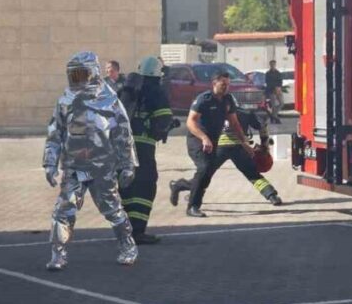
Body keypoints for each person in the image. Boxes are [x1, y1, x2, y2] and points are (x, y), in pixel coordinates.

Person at [44, 51, 139, 269]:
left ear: (93, 74)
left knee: (112, 209)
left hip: (102, 167)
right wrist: (50, 163)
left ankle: (127, 245)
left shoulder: (110, 101)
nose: (78, 80)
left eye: (82, 74)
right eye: (74, 75)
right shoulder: (65, 101)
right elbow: (55, 133)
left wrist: (128, 165)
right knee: (63, 210)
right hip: (75, 167)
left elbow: (123, 134)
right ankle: (58, 253)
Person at [166, 71, 256, 218]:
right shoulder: (204, 99)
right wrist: (204, 138)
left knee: (206, 176)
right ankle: (193, 207)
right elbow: (190, 122)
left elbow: (234, 123)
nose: (226, 87)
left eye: (228, 84)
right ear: (214, 83)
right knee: (204, 168)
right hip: (197, 140)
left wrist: (244, 143)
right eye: (223, 84)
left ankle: (179, 185)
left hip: (213, 141)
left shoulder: (228, 100)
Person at [171, 105, 283, 209]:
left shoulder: (213, 111)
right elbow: (262, 126)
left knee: (205, 176)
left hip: (221, 148)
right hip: (238, 147)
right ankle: (272, 196)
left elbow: (200, 127)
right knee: (252, 174)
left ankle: (181, 186)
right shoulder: (245, 113)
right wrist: (264, 145)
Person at [117, 56, 174, 244]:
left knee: (126, 186)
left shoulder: (126, 89)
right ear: (157, 72)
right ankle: (138, 232)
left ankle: (125, 230)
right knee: (145, 187)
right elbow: (163, 120)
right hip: (142, 148)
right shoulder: (155, 91)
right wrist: (162, 130)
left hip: (121, 147)